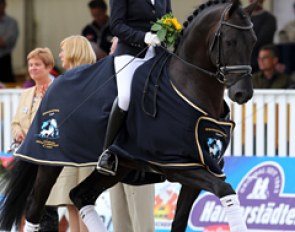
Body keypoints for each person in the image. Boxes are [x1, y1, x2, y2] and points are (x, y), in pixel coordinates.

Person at [96, 0, 172, 176]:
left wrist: (170, 34)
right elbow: (116, 25)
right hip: (131, 52)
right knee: (126, 98)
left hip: (157, 53)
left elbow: (168, 19)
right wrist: (142, 37)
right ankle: (108, 153)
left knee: (167, 96)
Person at [44, 35, 101, 232]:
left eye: (63, 50)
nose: (60, 55)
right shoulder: (63, 79)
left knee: (84, 202)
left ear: (74, 51)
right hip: (66, 150)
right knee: (69, 202)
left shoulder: (93, 78)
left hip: (85, 150)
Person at [107, 37, 155, 232]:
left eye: (115, 48)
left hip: (137, 156)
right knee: (120, 221)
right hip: (115, 155)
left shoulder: (143, 78)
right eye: (112, 48)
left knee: (142, 222)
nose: (113, 52)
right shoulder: (109, 76)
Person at [10, 47, 59, 231]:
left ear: (48, 67)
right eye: (30, 65)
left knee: (46, 204)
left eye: (37, 64)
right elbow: (15, 123)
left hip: (47, 155)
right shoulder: (25, 93)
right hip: (26, 155)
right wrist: (17, 133)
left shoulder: (56, 89)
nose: (32, 68)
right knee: (26, 201)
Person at [249, 0, 277, 73]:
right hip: (244, 62)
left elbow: (261, 40)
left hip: (261, 63)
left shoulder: (269, 18)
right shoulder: (243, 18)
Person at [0, 0, 19, 83]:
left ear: (4, 5)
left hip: (4, 60)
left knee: (7, 85)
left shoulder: (11, 23)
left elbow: (3, 42)